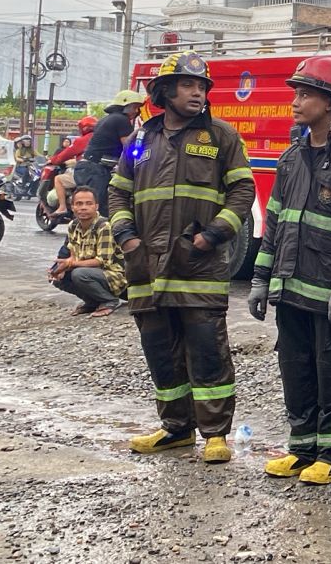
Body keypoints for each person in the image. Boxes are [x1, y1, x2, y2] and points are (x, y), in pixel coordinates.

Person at [108, 52, 255, 464]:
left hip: (198, 266)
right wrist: (126, 237)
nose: (198, 92)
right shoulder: (141, 140)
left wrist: (212, 236)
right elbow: (119, 190)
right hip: (146, 267)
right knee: (159, 349)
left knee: (207, 349)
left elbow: (244, 192)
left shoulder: (220, 136)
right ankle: (175, 428)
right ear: (165, 91)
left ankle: (214, 434)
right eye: (189, 85)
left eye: (203, 87)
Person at [249, 56, 331, 487]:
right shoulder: (292, 157)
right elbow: (275, 224)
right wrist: (261, 279)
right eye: (296, 93)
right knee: (296, 367)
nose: (296, 101)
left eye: (306, 94)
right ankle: (302, 447)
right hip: (293, 289)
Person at [50, 185, 126, 317]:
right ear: (72, 207)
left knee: (79, 274)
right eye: (79, 204)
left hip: (115, 276)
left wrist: (71, 264)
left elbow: (101, 261)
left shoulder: (104, 226)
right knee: (57, 276)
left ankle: (110, 301)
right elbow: (73, 253)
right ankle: (92, 302)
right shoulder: (73, 226)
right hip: (91, 272)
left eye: (88, 203)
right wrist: (61, 267)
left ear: (96, 206)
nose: (83, 207)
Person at [79, 90, 145, 215]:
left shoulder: (107, 119)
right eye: (134, 107)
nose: (136, 111)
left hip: (89, 166)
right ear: (125, 105)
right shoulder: (121, 120)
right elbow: (129, 146)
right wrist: (143, 157)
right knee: (99, 209)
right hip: (96, 169)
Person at [46, 119, 98, 221]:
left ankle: (62, 207)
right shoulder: (102, 138)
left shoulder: (82, 140)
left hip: (85, 172)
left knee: (58, 179)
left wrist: (53, 160)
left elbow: (63, 156)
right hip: (103, 172)